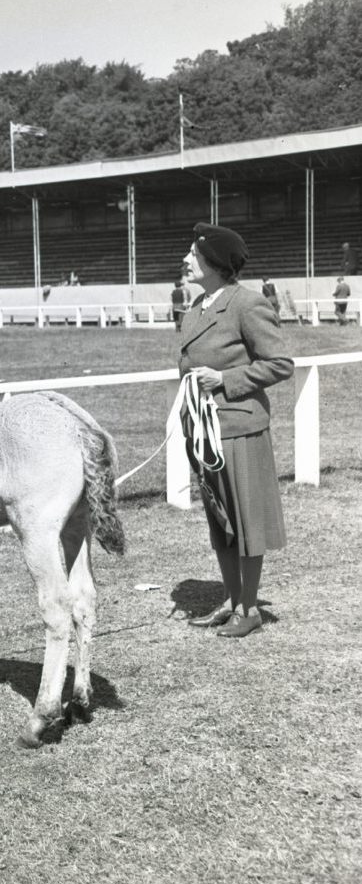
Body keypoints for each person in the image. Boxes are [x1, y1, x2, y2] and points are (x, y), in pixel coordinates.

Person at [178, 222, 293, 639]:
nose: (185, 259)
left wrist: (224, 379)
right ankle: (229, 602)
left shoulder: (248, 304)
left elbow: (279, 363)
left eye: (192, 253)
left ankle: (250, 609)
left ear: (213, 262)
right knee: (222, 521)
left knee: (246, 521)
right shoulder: (197, 307)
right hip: (206, 433)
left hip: (240, 428)